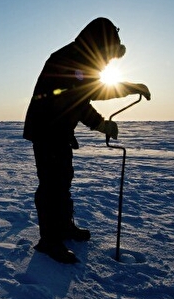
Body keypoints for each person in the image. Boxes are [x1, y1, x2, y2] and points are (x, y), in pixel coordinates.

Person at [23, 17, 151, 263]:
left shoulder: (80, 58)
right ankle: (49, 241)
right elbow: (87, 96)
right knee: (52, 185)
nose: (106, 62)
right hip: (46, 130)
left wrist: (106, 117)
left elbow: (83, 97)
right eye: (107, 55)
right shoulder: (68, 59)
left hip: (58, 131)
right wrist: (125, 93)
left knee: (63, 179)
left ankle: (63, 227)